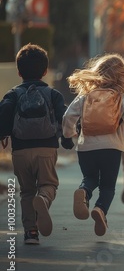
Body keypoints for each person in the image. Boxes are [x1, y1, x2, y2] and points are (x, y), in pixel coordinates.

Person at [63, 54, 124, 236]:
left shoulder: (85, 95)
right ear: (122, 76)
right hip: (111, 147)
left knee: (90, 178)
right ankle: (100, 210)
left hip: (86, 147)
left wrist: (69, 134)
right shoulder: (122, 95)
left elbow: (68, 117)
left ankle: (84, 192)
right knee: (107, 187)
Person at [0, 43, 74, 245]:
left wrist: (3, 134)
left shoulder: (13, 94)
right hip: (46, 148)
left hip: (20, 150)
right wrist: (67, 139)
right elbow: (64, 118)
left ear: (18, 71)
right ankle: (44, 198)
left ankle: (31, 232)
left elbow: (4, 112)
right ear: (45, 71)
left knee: (26, 191)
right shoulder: (53, 95)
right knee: (48, 184)